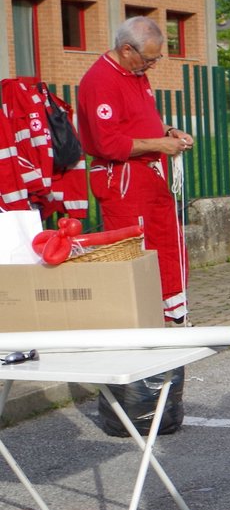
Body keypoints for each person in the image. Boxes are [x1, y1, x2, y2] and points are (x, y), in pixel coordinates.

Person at [76, 17, 195, 324]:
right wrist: (158, 143)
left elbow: (143, 117)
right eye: (149, 59)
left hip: (150, 172)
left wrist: (168, 131)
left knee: (167, 241)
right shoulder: (100, 80)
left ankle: (173, 314)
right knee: (136, 249)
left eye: (156, 58)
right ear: (127, 50)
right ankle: (140, 318)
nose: (152, 66)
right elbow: (108, 143)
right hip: (123, 177)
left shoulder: (135, 72)